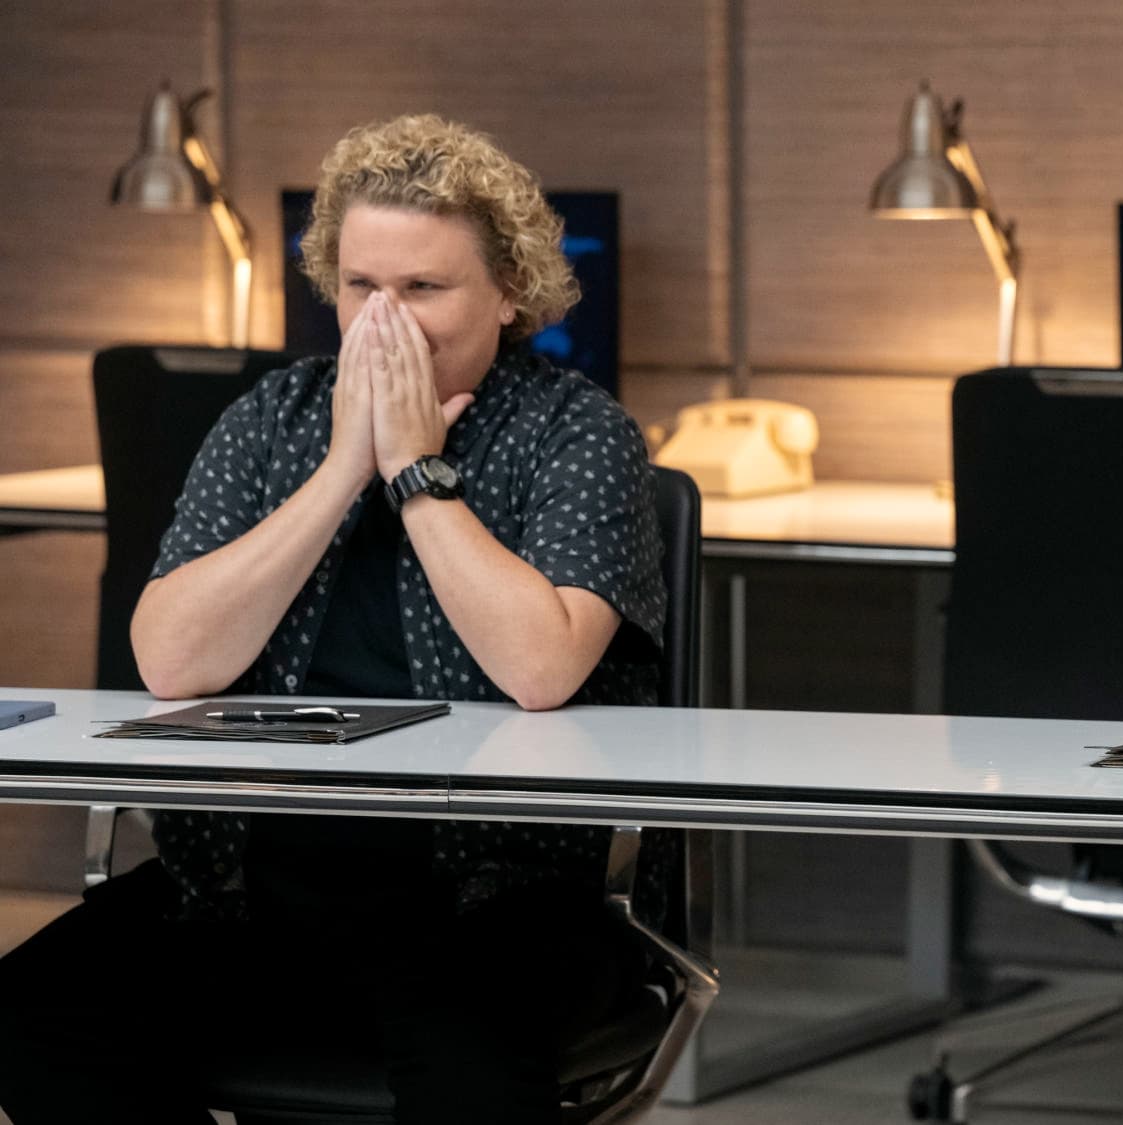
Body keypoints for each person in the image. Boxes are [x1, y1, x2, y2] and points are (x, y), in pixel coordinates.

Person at [0, 115, 666, 1124]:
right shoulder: (271, 419)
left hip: (491, 891)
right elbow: (170, 659)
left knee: (466, 1064)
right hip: (253, 880)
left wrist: (415, 473)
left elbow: (542, 669)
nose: (383, 323)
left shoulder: (577, 432)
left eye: (423, 288)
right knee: (33, 1018)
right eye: (362, 287)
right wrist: (341, 470)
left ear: (510, 292)